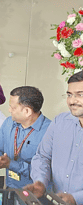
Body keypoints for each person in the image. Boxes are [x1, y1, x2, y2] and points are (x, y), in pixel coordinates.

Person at [25, 71, 83, 205]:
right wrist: (40, 182)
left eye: (80, 94)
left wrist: (76, 198)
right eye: (69, 95)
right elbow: (42, 156)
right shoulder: (60, 122)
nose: (72, 101)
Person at [0, 86, 51, 189]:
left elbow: (47, 172)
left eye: (13, 107)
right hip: (10, 188)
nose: (9, 110)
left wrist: (11, 164)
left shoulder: (50, 131)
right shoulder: (8, 123)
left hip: (35, 194)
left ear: (27, 111)